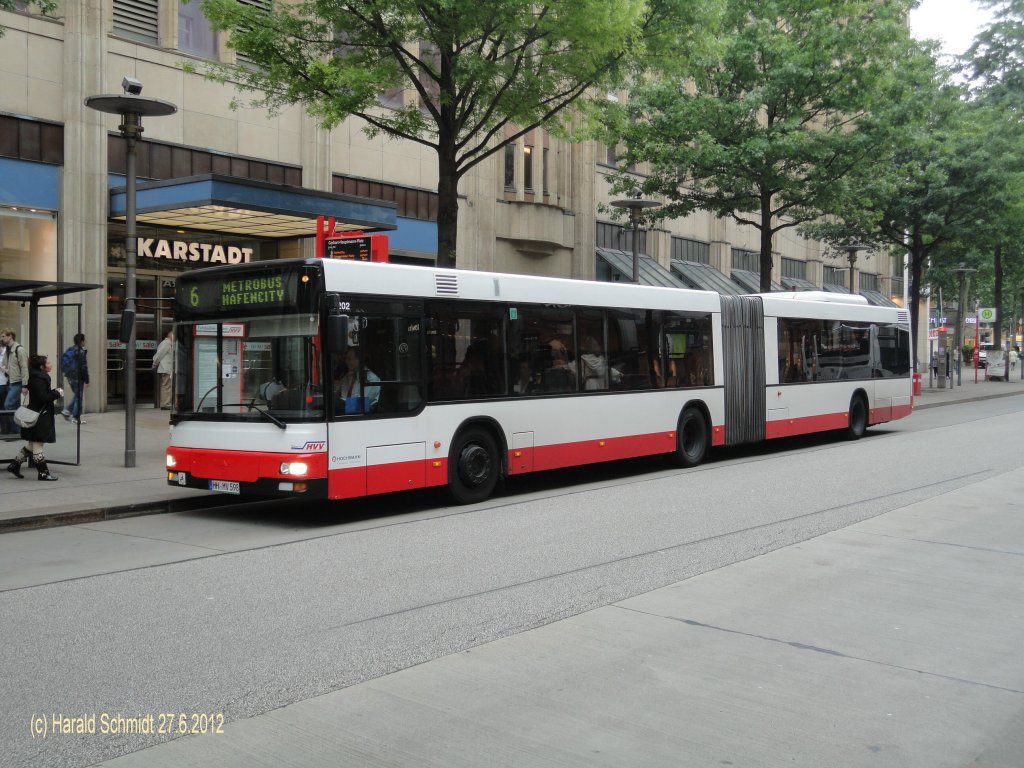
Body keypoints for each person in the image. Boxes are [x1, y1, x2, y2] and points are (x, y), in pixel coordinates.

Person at [6, 353, 63, 481]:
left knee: (32, 444)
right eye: (48, 363)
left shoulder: (39, 378)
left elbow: (41, 395)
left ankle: (14, 465)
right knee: (38, 444)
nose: (51, 364)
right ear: (42, 367)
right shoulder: (39, 380)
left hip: (37, 414)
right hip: (40, 417)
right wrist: (56, 393)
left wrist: (53, 392)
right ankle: (43, 473)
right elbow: (43, 398)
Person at [335, 347, 380, 413]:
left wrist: (338, 404)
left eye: (349, 359)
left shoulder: (371, 378)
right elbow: (339, 394)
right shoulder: (347, 376)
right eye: (346, 359)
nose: (346, 362)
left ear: (359, 360)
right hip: (344, 413)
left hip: (361, 415)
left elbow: (361, 405)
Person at [1, 329, 28, 434]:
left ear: (10, 336)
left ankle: (15, 430)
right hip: (11, 381)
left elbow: (24, 368)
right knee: (15, 406)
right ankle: (18, 430)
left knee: (8, 405)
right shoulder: (8, 350)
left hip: (17, 382)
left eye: (3, 336)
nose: (2, 338)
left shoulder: (19, 350)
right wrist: (5, 369)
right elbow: (5, 364)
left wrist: (25, 385)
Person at [60, 333, 90, 424]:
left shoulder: (70, 349)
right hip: (78, 377)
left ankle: (68, 411)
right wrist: (87, 380)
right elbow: (83, 367)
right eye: (84, 340)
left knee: (77, 396)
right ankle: (75, 417)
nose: (85, 342)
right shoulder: (81, 352)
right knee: (78, 397)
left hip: (70, 376)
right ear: (81, 341)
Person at [152, 329, 175, 409]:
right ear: (171, 336)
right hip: (166, 368)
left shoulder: (169, 343)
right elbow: (159, 354)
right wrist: (155, 363)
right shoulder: (166, 343)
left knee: (168, 386)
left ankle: (166, 403)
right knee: (166, 386)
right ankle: (165, 404)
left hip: (167, 369)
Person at [0, 339, 9, 435]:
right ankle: (4, 429)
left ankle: (6, 429)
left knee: (3, 406)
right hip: (1, 382)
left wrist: (3, 368)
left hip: (3, 383)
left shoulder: (6, 353)